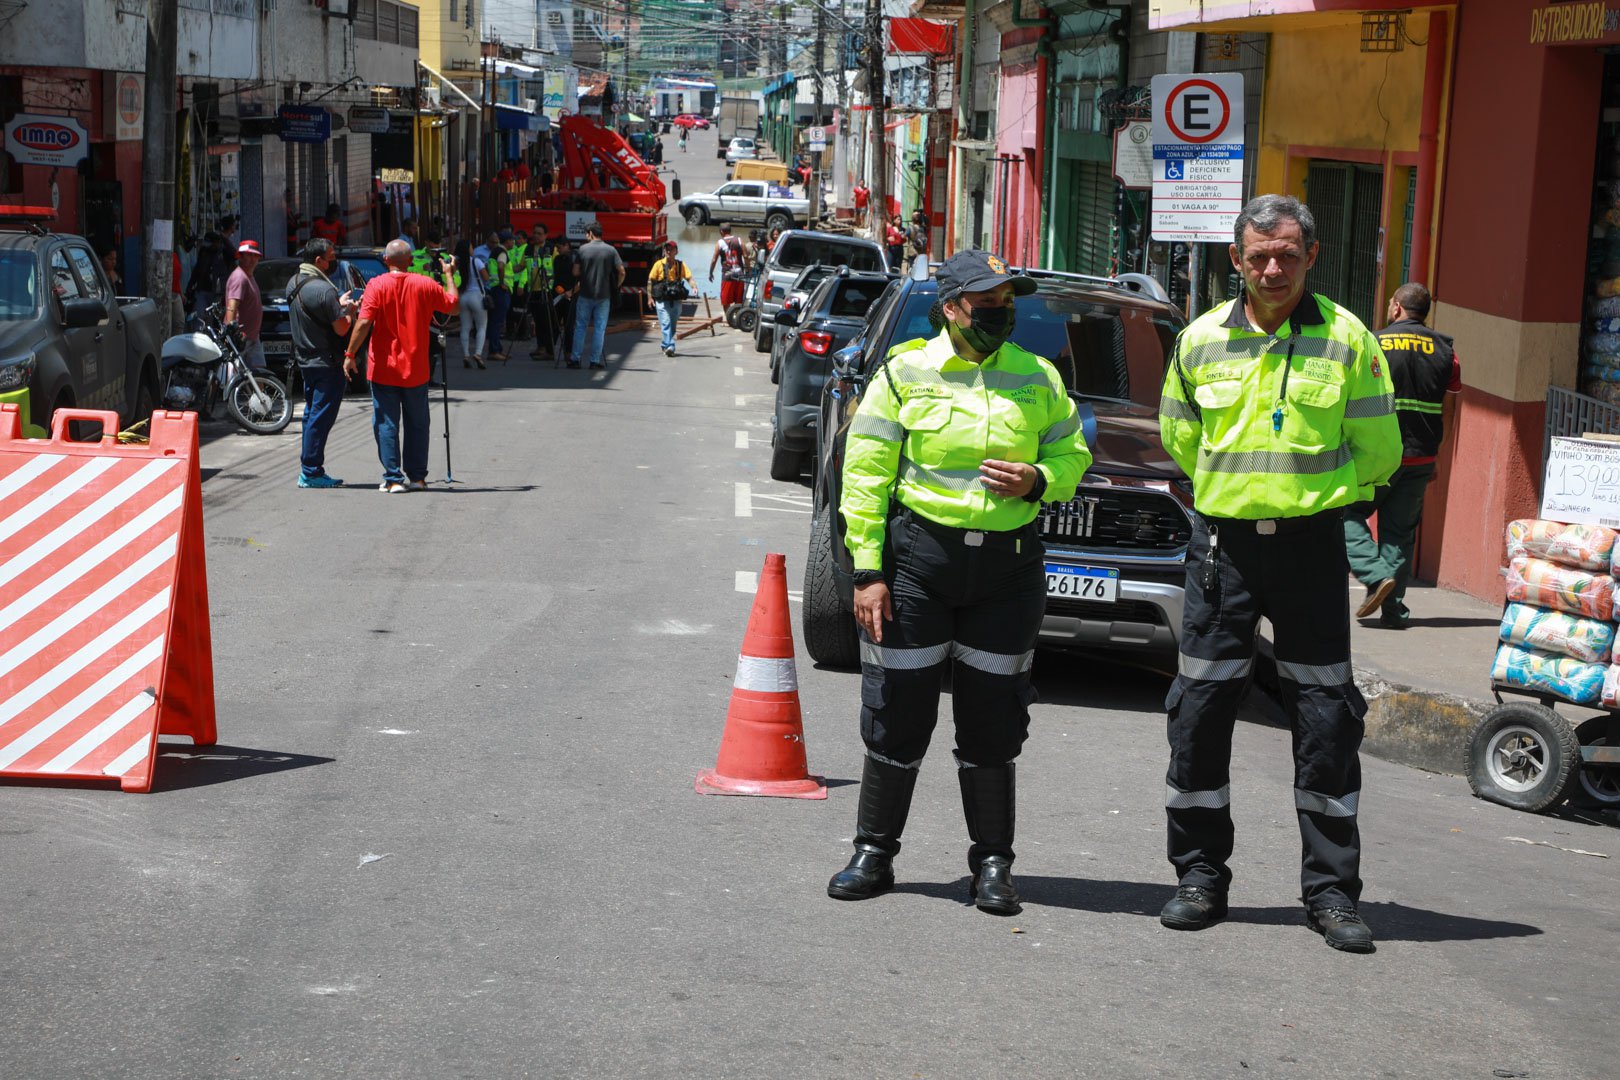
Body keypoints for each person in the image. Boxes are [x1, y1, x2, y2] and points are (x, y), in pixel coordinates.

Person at [1156, 194, 1401, 953]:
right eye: (1258, 255)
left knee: (1327, 720)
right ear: (1235, 259)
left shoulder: (1349, 339)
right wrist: (1235, 499)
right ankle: (1199, 877)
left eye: (1287, 255)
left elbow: (1380, 451)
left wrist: (1317, 502)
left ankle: (1330, 894)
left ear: (1312, 256)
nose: (1272, 268)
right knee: (1199, 713)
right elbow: (1178, 435)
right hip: (1222, 552)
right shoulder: (1197, 341)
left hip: (1310, 553)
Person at [828, 250, 1092, 915]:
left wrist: (1041, 480)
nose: (1003, 314)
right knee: (898, 712)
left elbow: (1072, 453)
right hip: (920, 565)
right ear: (950, 308)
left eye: (1009, 302)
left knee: (993, 723)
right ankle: (874, 853)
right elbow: (865, 478)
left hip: (1007, 571)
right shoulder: (904, 374)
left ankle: (994, 866)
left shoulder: (1038, 377)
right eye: (989, 303)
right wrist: (866, 571)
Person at [1344, 282, 1461, 629]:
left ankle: (1374, 575)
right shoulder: (1447, 352)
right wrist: (1437, 455)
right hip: (1421, 457)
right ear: (1426, 313)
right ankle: (1394, 612)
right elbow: (1450, 411)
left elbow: (1350, 399)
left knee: (1343, 514)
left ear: (1396, 307)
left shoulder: (1373, 343)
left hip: (1377, 456)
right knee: (1399, 533)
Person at [343, 239, 459, 493]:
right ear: (410, 261)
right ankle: (417, 478)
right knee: (418, 423)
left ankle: (394, 479)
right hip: (416, 368)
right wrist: (449, 275)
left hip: (384, 368)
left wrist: (350, 353)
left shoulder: (376, 285)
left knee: (386, 423)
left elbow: (363, 323)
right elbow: (453, 305)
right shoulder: (425, 283)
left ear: (386, 260)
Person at [287, 238, 360, 488]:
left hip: (306, 360)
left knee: (311, 415)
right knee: (320, 417)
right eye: (330, 257)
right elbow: (341, 329)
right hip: (327, 362)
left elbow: (318, 313)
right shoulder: (324, 289)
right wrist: (349, 312)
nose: (333, 261)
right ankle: (311, 471)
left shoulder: (294, 282)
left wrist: (336, 307)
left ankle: (309, 467)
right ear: (318, 261)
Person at [569, 222, 624, 370]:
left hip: (585, 294)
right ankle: (594, 361)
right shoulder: (611, 250)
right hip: (603, 295)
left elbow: (575, 272)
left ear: (591, 233)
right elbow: (622, 271)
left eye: (587, 234)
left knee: (580, 327)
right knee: (599, 329)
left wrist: (586, 272)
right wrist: (616, 286)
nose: (586, 236)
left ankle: (575, 359)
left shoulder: (582, 250)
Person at [223, 239, 267, 371]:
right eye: (248, 255)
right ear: (240, 257)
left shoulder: (249, 276)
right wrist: (232, 332)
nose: (252, 259)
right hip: (241, 339)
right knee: (231, 377)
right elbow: (232, 306)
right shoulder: (239, 277)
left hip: (252, 338)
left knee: (260, 375)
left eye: (255, 256)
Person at [647, 240, 693, 356]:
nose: (668, 251)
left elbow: (689, 278)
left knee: (672, 324)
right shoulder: (658, 265)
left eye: (671, 249)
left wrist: (694, 287)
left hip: (676, 301)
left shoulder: (680, 265)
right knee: (666, 322)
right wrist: (649, 297)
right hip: (662, 300)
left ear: (676, 251)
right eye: (666, 249)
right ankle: (670, 347)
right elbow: (650, 281)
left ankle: (665, 344)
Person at [453, 238, 489, 369]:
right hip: (477, 296)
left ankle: (466, 355)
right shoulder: (476, 261)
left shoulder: (456, 263)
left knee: (465, 327)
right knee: (481, 326)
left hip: (463, 296)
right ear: (468, 248)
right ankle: (478, 354)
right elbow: (486, 278)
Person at [480, 232, 512, 362]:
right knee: (497, 322)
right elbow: (500, 267)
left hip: (495, 288)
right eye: (512, 240)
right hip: (500, 290)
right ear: (508, 241)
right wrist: (502, 282)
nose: (513, 243)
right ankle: (494, 351)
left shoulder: (495, 251)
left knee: (495, 321)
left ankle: (497, 348)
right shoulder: (502, 252)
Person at [551, 235, 578, 362]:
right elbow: (556, 278)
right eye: (556, 247)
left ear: (567, 245)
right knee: (554, 323)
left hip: (570, 296)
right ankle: (550, 350)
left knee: (569, 326)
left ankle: (568, 351)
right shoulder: (557, 260)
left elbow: (580, 280)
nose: (558, 250)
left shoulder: (575, 259)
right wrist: (558, 290)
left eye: (560, 247)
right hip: (558, 295)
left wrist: (571, 292)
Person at [710, 223, 747, 311]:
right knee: (738, 299)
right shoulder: (739, 240)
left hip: (727, 275)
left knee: (726, 300)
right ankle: (737, 318)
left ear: (721, 231)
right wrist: (748, 269)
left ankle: (729, 319)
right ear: (730, 231)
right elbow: (745, 256)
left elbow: (714, 260)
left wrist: (711, 272)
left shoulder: (720, 242)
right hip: (740, 274)